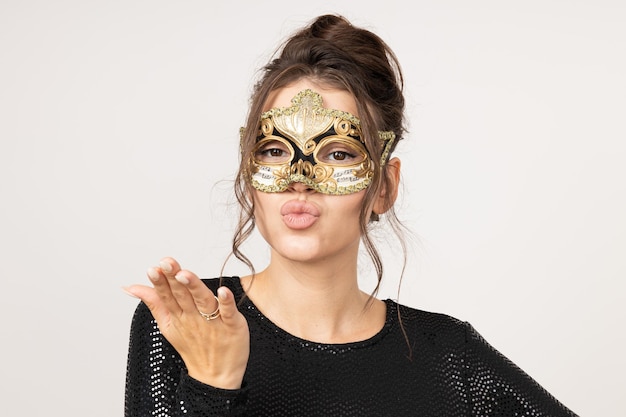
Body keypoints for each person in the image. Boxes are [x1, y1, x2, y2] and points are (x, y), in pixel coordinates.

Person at [124, 14, 578, 417]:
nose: (298, 179)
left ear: (384, 186)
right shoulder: (186, 322)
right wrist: (213, 384)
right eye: (274, 150)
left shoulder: (448, 357)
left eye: (338, 153)